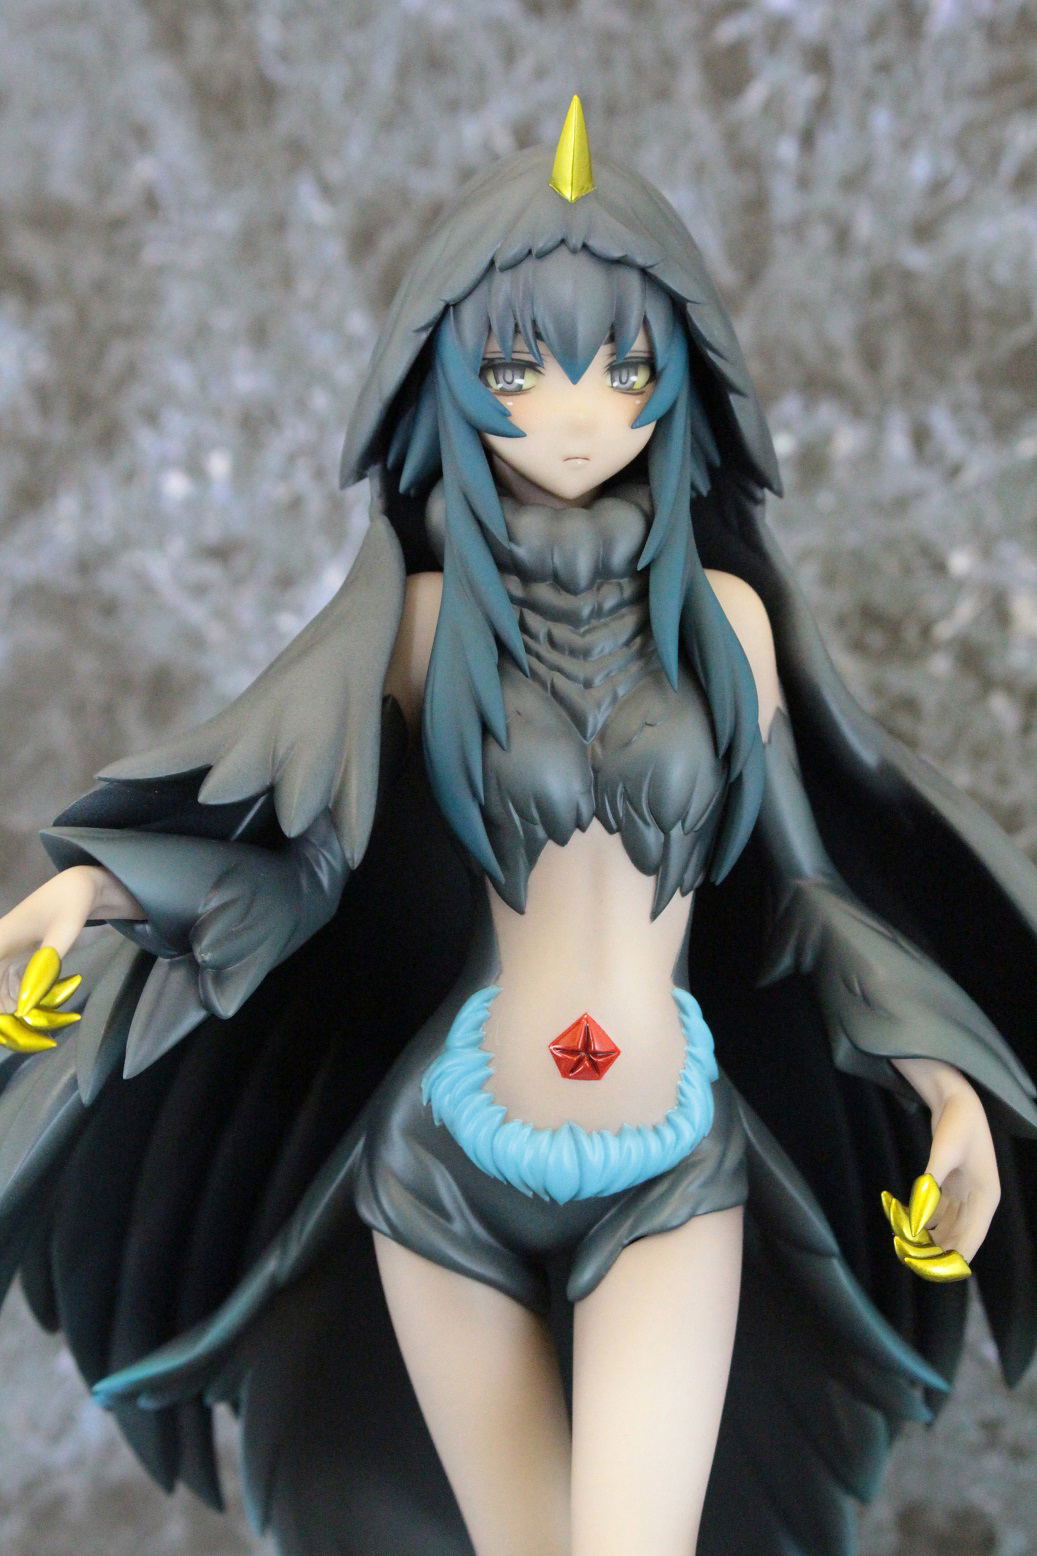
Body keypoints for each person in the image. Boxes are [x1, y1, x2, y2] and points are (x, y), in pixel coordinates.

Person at [0, 98, 1034, 1556]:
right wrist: (94, 894)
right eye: (518, 371)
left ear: (680, 382)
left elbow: (813, 899)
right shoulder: (422, 632)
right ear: (446, 378)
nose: (577, 414)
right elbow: (292, 854)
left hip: (668, 1161)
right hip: (443, 1163)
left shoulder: (727, 628)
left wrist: (944, 1087)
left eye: (624, 370)